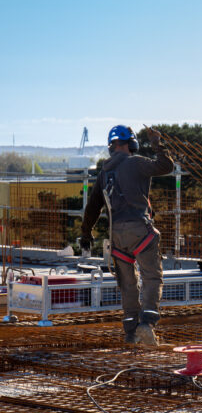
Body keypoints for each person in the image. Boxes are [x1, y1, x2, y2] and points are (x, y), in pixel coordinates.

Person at [80, 125, 173, 345]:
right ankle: (147, 323)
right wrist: (158, 144)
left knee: (128, 284)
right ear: (131, 144)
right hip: (140, 231)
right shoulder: (136, 162)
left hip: (117, 237)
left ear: (112, 146)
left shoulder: (104, 173)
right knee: (152, 277)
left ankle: (131, 332)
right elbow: (165, 166)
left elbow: (93, 206)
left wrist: (86, 233)